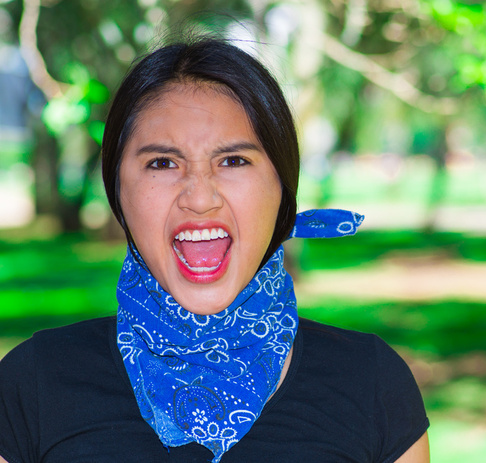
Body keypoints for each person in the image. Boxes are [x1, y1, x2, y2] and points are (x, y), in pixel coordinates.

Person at [0, 36, 429, 462]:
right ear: (118, 192)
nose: (200, 197)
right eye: (163, 163)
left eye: (233, 161)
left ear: (283, 186)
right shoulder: (32, 383)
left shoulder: (372, 383)